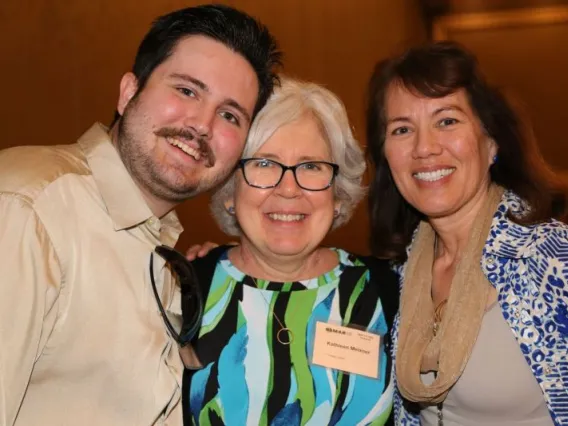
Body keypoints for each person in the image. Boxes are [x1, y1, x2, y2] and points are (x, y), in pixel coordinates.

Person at [0, 5, 281, 425]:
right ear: (129, 91)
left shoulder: (162, 253)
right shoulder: (31, 208)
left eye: (229, 115)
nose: (202, 125)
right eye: (187, 91)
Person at [366, 41, 568, 425]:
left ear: (491, 140)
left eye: (447, 120)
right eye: (402, 129)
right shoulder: (400, 276)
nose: (424, 148)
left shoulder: (553, 259)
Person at [183, 78, 399, 425]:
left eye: (311, 166)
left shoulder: (390, 290)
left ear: (338, 194)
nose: (288, 188)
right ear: (228, 189)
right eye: (264, 164)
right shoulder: (181, 291)